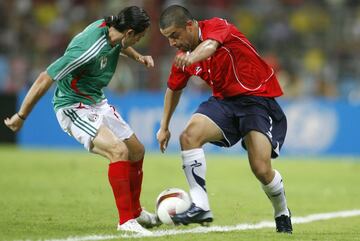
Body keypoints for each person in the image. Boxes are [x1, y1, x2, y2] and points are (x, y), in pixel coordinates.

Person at [4, 6, 159, 235]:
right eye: (140, 37)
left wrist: (138, 57)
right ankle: (126, 221)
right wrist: (21, 116)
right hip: (73, 106)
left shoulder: (114, 32)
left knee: (136, 150)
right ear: (128, 33)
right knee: (118, 151)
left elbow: (119, 46)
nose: (140, 41)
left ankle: (136, 212)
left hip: (96, 100)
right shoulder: (86, 49)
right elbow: (44, 78)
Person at [156, 5, 292, 233]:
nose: (172, 43)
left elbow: (210, 46)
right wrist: (164, 126)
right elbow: (173, 89)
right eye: (168, 38)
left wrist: (191, 58)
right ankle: (200, 205)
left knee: (261, 168)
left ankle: (282, 211)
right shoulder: (183, 57)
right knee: (189, 136)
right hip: (224, 102)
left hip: (256, 99)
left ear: (189, 26)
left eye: (174, 36)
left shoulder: (217, 26)